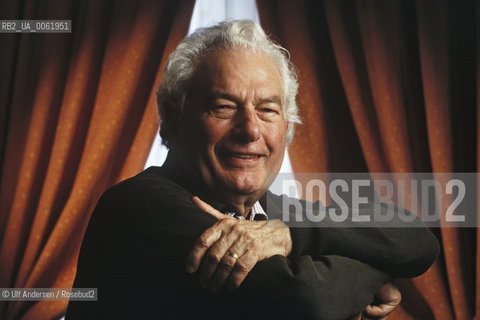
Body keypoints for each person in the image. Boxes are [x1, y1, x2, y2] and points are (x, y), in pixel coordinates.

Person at [66, 20, 439, 319]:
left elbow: (418, 240)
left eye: (268, 110)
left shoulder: (275, 216)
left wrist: (293, 235)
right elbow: (308, 303)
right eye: (223, 106)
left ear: (287, 127)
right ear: (172, 123)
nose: (250, 130)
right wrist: (377, 270)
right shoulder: (138, 208)